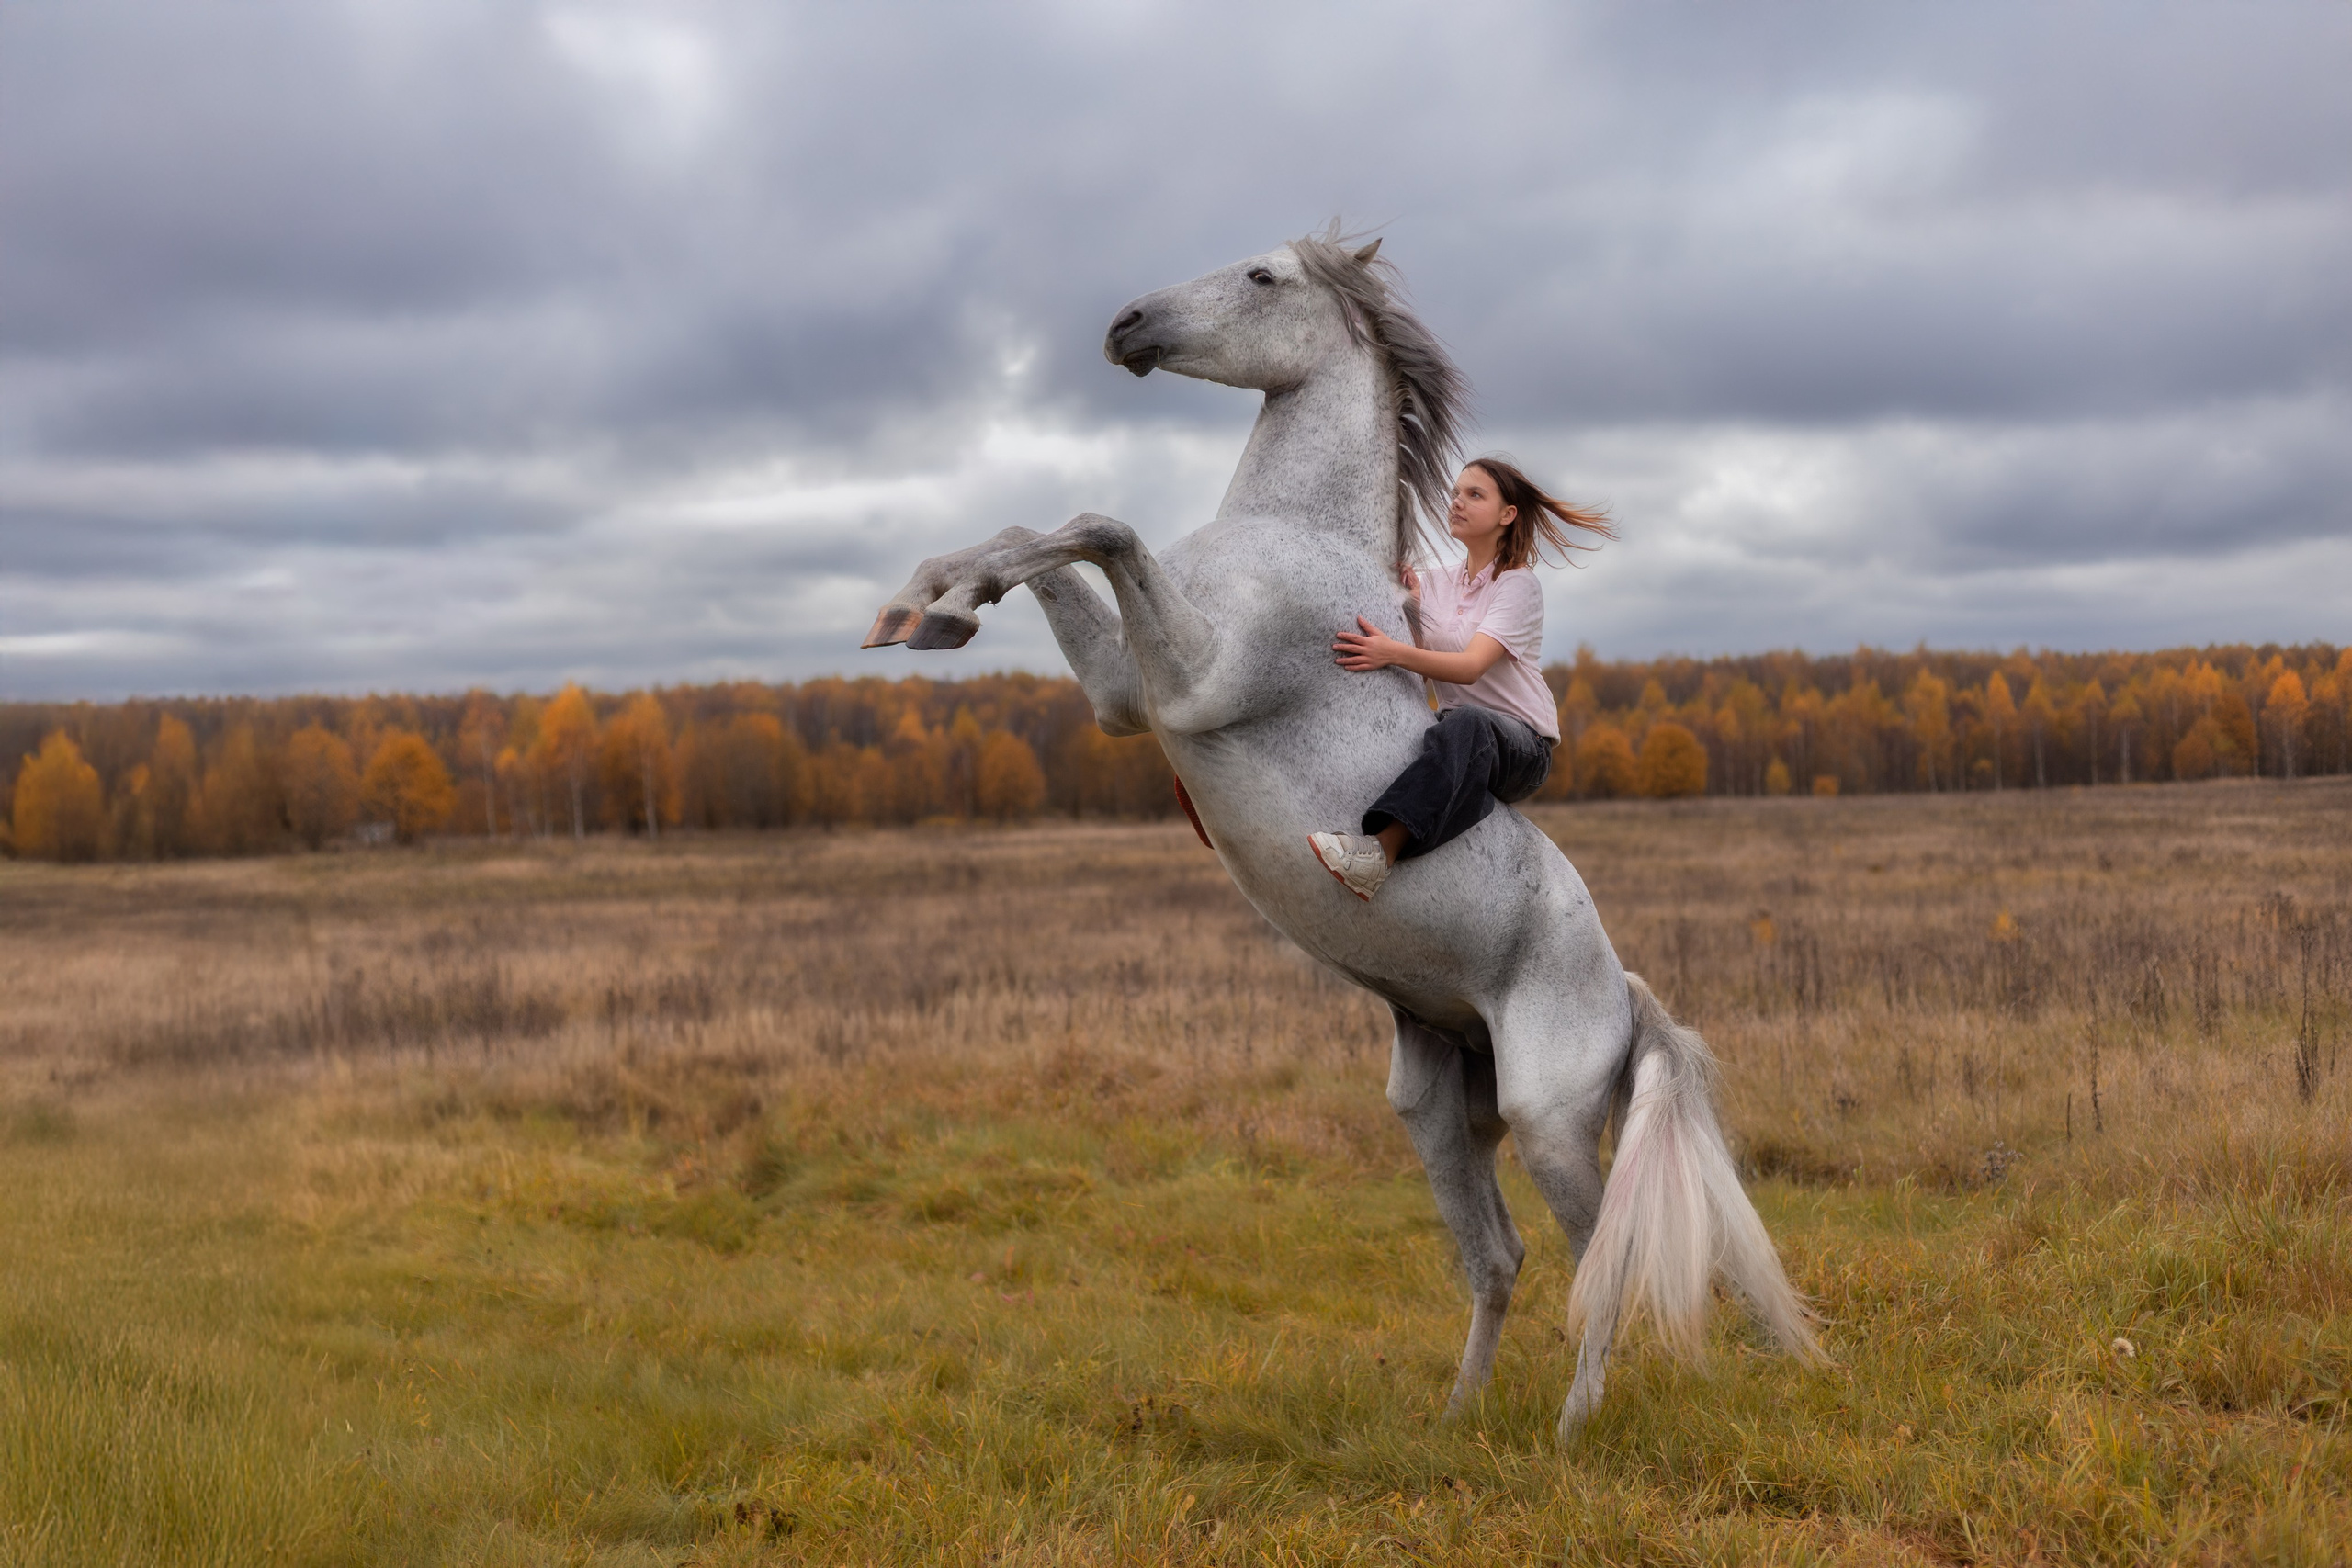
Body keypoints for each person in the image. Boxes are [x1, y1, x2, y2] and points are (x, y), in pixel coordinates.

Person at [1310, 457, 1613, 900]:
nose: (1457, 502)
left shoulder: (1517, 585)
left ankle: (1379, 854)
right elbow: (1418, 668)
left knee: (1469, 723)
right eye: (1456, 493)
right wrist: (1408, 607)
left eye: (1474, 495)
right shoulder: (1433, 584)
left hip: (1520, 747)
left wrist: (1391, 652)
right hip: (1454, 731)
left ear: (1507, 515)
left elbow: (1470, 668)